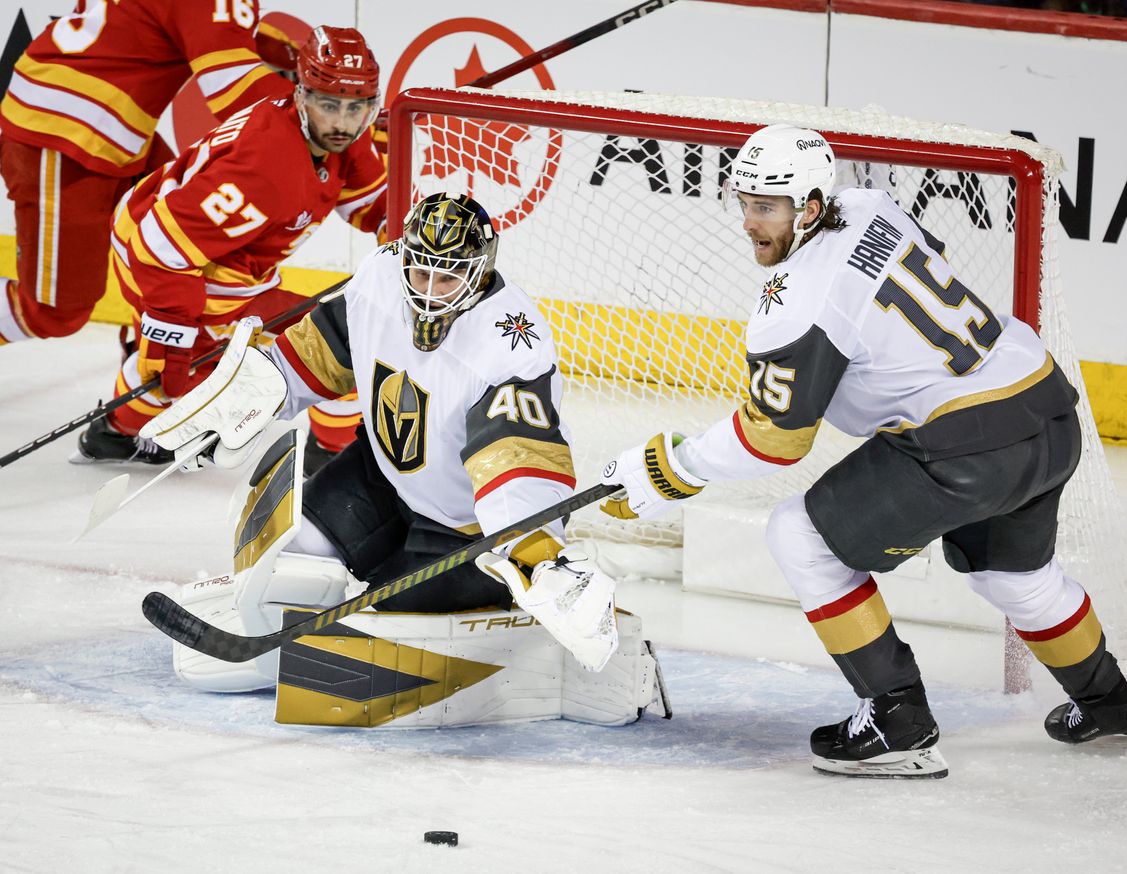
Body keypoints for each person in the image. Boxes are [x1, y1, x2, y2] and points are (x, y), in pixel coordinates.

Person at [599, 124, 1127, 778]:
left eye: (767, 207)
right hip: (1045, 407)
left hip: (966, 446)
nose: (749, 222)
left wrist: (670, 470)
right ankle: (1111, 703)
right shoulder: (870, 205)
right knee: (1013, 577)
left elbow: (775, 439)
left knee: (800, 535)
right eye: (746, 203)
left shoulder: (796, 301)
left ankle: (897, 720)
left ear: (810, 207)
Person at [138, 193, 645, 722]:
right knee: (289, 553)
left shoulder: (509, 344)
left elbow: (515, 461)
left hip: (466, 527)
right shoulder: (380, 276)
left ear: (480, 269)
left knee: (383, 634)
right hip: (384, 475)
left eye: (447, 278)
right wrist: (247, 401)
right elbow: (322, 351)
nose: (428, 291)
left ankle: (503, 606)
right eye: (420, 272)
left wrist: (535, 552)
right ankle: (277, 646)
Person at [73, 25, 386, 469]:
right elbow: (161, 246)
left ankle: (334, 458)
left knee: (336, 348)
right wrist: (169, 331)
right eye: (329, 105)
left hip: (215, 259)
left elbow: (373, 202)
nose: (342, 122)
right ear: (301, 96)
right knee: (179, 370)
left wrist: (402, 232)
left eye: (356, 108)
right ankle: (115, 433)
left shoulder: (335, 137)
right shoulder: (264, 170)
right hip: (165, 257)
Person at [0, 0, 294, 346]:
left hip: (106, 124)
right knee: (53, 311)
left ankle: (151, 351)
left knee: (185, 242)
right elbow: (231, 87)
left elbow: (222, 27)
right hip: (64, 129)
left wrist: (307, 61)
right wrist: (324, 115)